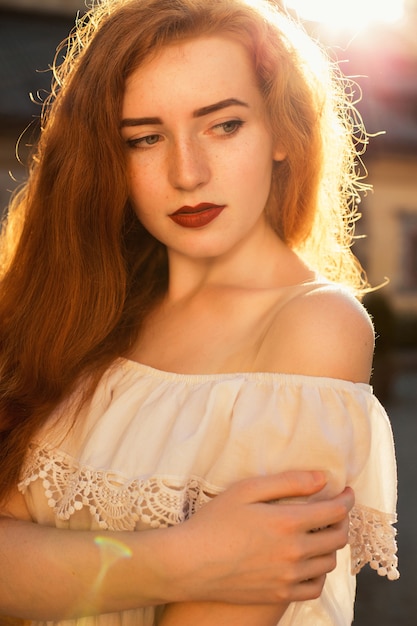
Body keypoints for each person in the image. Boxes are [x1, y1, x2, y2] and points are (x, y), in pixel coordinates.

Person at [0, 0, 398, 624]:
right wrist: (185, 556)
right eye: (146, 138)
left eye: (225, 125)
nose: (188, 173)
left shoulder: (313, 328)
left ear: (283, 135)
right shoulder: (77, 310)